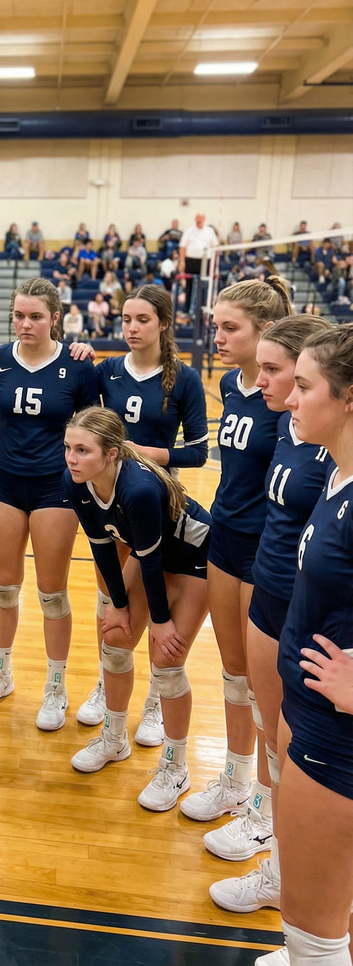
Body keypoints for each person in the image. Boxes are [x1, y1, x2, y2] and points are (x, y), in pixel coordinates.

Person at [208, 315, 331, 916]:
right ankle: (275, 850)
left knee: (300, 745)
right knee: (270, 729)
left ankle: (293, 875)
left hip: (307, 611)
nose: (267, 384)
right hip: (268, 591)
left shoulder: (334, 453)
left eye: (284, 375)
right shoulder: (286, 427)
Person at [253, 325, 353, 966]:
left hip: (335, 735)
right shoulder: (338, 474)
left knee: (311, 934)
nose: (292, 397)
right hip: (309, 711)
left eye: (306, 386)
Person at [180, 278, 292, 828]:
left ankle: (267, 808)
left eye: (230, 328)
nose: (217, 337)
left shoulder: (290, 398)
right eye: (216, 326)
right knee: (233, 673)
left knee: (265, 685)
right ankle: (234, 778)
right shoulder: (227, 384)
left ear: (264, 330)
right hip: (223, 536)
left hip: (265, 550)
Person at [78, 284, 209, 745]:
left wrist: (141, 453)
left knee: (152, 600)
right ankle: (106, 682)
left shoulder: (184, 379)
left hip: (153, 502)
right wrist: (75, 351)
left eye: (142, 321)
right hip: (109, 500)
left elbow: (198, 452)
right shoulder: (107, 371)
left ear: (164, 324)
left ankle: (154, 699)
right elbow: (80, 417)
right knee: (111, 602)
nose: (131, 328)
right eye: (126, 319)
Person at [65, 408, 211, 811]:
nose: (72, 459)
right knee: (113, 639)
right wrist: (118, 605)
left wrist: (160, 622)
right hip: (153, 555)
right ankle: (114, 740)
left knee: (166, 660)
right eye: (68, 448)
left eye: (82, 450)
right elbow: (102, 548)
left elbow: (151, 561)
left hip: (195, 557)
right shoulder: (76, 481)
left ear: (112, 453)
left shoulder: (139, 489)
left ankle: (175, 765)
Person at [0, 278, 100, 729]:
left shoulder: (78, 366)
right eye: (19, 316)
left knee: (52, 592)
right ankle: (1, 672)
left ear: (55, 319)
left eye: (36, 316)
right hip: (4, 480)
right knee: (4, 585)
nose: (26, 324)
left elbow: (92, 425)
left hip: (55, 486)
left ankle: (56, 684)